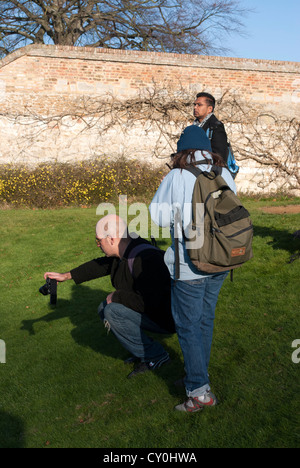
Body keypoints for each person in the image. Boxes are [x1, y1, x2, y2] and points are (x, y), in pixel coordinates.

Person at [150, 125, 236, 412]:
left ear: (181, 151)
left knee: (188, 326)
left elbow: (158, 218)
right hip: (222, 260)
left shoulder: (177, 176)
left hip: (189, 263)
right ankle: (198, 377)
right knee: (204, 321)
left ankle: (199, 392)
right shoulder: (225, 173)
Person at [44, 214, 175, 378]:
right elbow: (101, 265)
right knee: (104, 308)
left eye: (99, 241)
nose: (98, 245)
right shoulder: (125, 248)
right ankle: (140, 350)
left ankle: (156, 356)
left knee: (112, 311)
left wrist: (117, 296)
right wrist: (66, 276)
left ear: (112, 239)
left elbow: (151, 302)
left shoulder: (145, 259)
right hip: (155, 309)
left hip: (167, 317)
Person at [193, 92, 228, 163]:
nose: (195, 107)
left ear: (209, 109)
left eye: (199, 105)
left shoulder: (215, 126)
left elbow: (220, 156)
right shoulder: (194, 126)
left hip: (207, 171)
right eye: (195, 104)